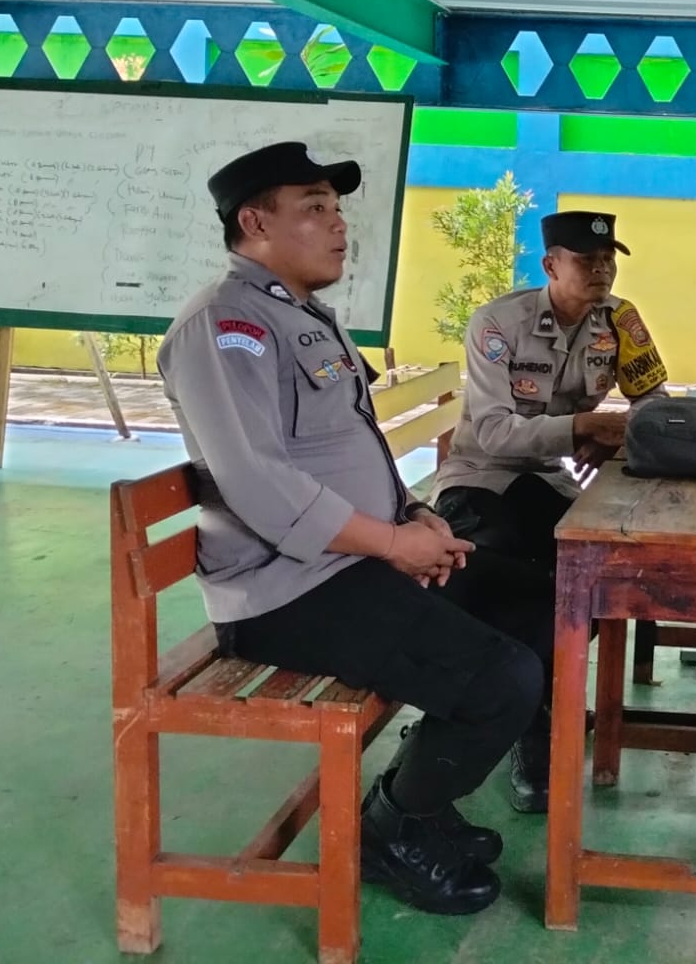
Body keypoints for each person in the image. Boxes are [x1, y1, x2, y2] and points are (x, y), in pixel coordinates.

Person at [157, 141, 542, 916]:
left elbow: (347, 444)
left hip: (348, 560)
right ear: (255, 222)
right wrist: (393, 544)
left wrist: (414, 516)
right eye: (315, 209)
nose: (339, 226)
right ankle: (393, 828)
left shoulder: (299, 314)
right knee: (502, 677)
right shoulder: (226, 327)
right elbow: (259, 482)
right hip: (284, 593)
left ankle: (420, 798)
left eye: (336, 208)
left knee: (537, 602)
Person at [427, 210, 668, 813]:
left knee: (589, 569)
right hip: (480, 478)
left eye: (608, 260)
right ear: (551, 266)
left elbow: (654, 402)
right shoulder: (497, 323)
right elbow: (491, 432)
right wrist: (583, 427)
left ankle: (526, 711)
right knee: (496, 567)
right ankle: (518, 717)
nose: (601, 271)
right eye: (586, 261)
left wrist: (619, 433)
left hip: (550, 480)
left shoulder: (622, 322)